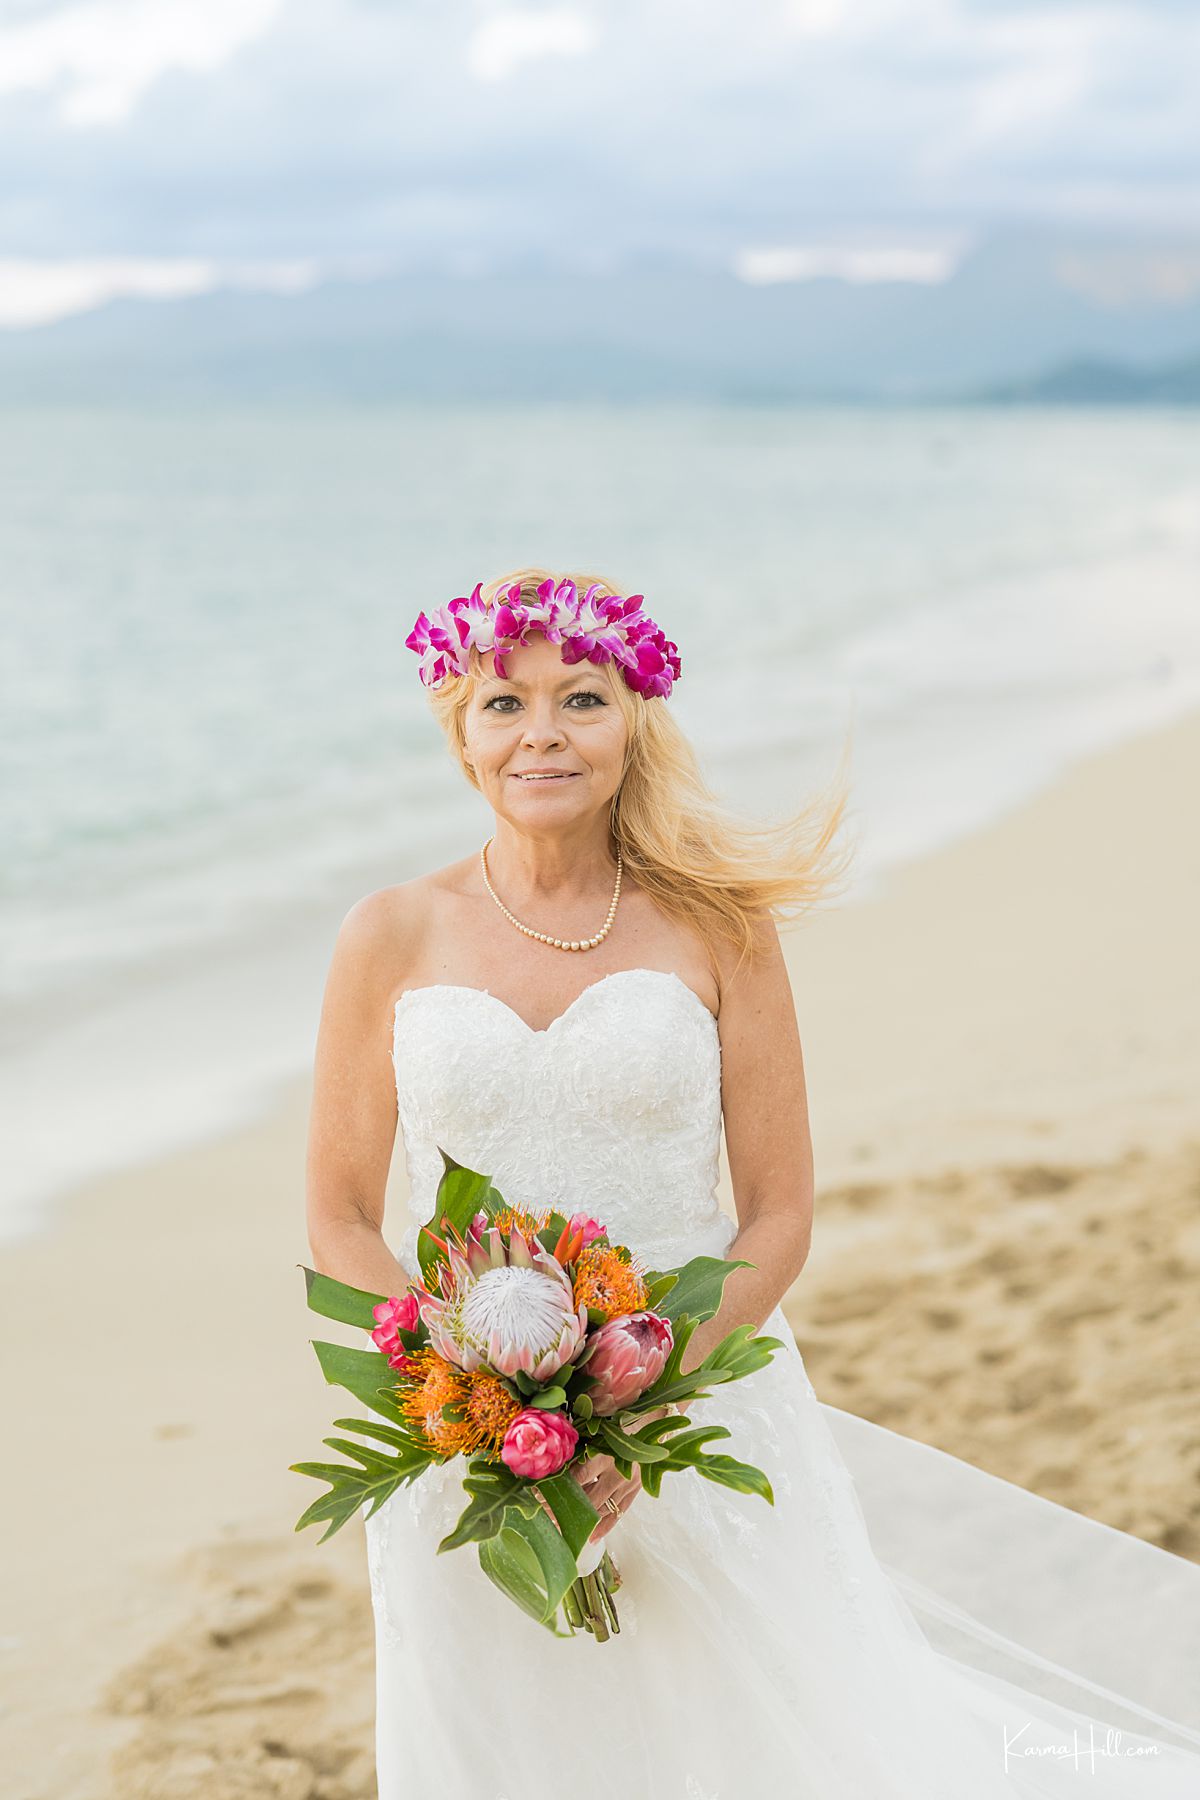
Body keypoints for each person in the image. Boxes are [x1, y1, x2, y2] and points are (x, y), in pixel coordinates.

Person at [305, 567, 1200, 1798]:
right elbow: (342, 1215)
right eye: (505, 705)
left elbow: (777, 1210)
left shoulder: (717, 928)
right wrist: (471, 1390)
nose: (544, 735)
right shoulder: (388, 935)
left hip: (701, 1397)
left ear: (637, 719)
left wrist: (630, 1406)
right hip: (465, 1440)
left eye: (583, 699)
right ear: (459, 729)